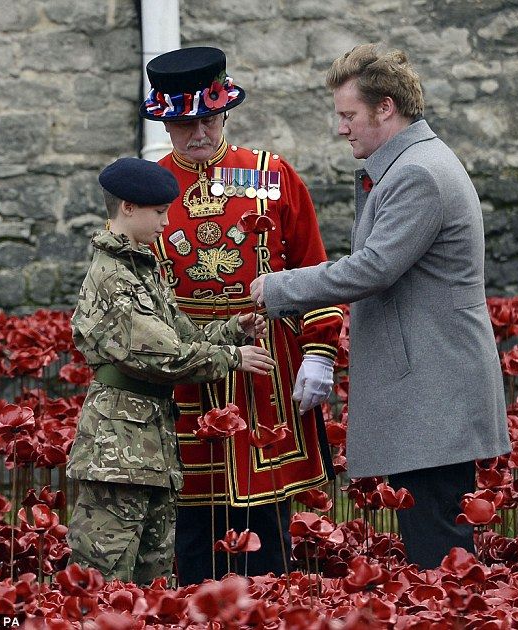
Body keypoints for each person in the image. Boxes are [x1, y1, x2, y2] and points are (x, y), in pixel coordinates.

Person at [250, 43, 510, 569]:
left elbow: (372, 268)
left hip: (433, 393)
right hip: (430, 391)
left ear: (385, 107)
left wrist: (277, 288)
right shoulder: (411, 163)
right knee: (435, 540)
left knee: (438, 550)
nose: (341, 128)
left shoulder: (418, 173)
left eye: (349, 115)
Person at [139, 46, 343, 584]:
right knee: (190, 524)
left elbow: (314, 269)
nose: (197, 133)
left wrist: (320, 352)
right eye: (183, 123)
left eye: (207, 118)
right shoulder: (150, 187)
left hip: (263, 373)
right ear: (165, 121)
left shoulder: (268, 174)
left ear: (224, 111)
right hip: (182, 374)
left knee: (266, 524)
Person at [67, 157, 275, 584]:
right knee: (104, 582)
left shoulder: (142, 269)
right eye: (159, 212)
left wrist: (236, 329)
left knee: (153, 583)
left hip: (147, 447)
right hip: (116, 452)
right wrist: (235, 359)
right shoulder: (112, 277)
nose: (167, 221)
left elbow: (182, 333)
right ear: (128, 207)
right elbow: (164, 355)